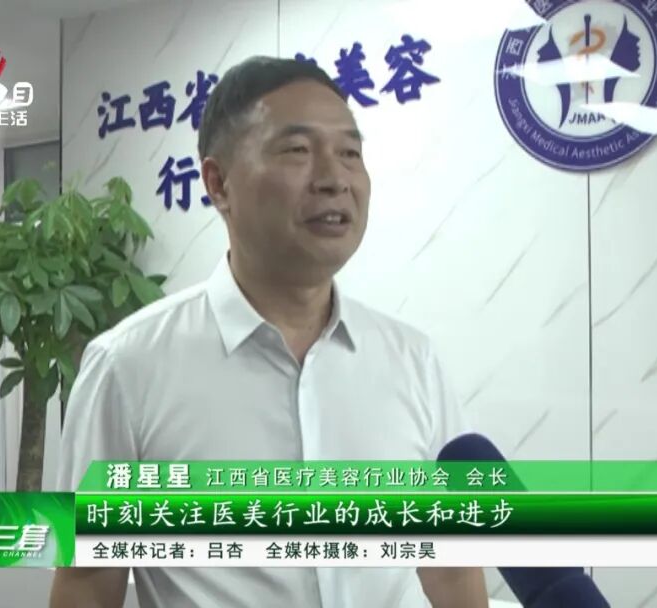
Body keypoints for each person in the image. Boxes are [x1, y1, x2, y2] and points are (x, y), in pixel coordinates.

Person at [49, 56, 488, 608]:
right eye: (298, 151)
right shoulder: (127, 366)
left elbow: (452, 566)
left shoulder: (413, 360)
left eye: (350, 153)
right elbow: (88, 583)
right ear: (219, 183)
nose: (334, 179)